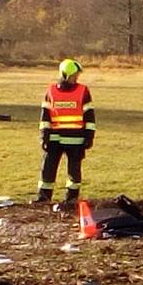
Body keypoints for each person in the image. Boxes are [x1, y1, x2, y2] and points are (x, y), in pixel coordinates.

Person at [35, 59, 96, 205]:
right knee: (47, 169)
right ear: (65, 74)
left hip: (76, 140)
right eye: (74, 75)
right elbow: (45, 116)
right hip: (54, 139)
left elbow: (89, 115)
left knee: (74, 171)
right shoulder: (51, 91)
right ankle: (44, 198)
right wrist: (44, 136)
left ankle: (72, 199)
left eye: (77, 75)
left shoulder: (83, 91)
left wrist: (89, 136)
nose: (76, 78)